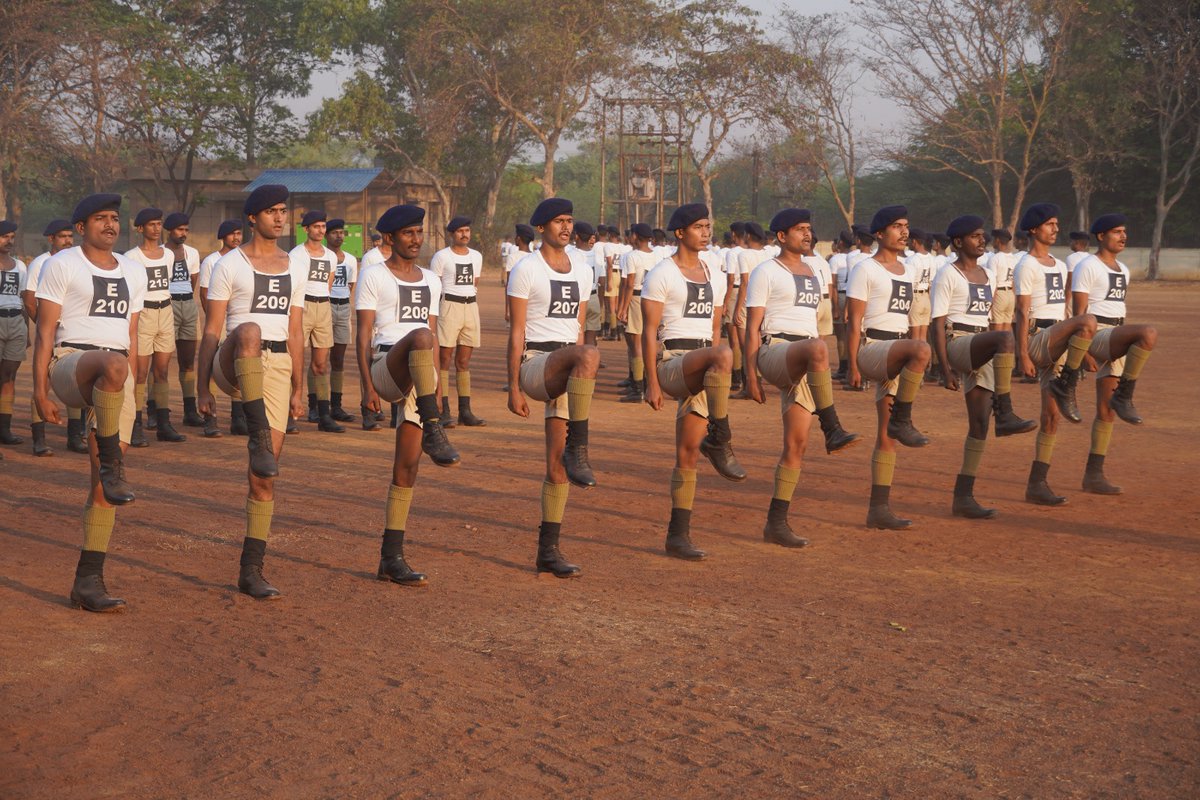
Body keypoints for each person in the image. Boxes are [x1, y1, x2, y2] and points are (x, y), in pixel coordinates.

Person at [33, 193, 144, 611]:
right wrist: (40, 393)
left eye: (115, 219)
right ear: (81, 228)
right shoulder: (61, 264)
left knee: (103, 486)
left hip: (117, 377)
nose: (111, 225)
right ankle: (115, 463)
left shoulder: (134, 272)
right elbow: (45, 333)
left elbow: (130, 337)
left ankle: (88, 581)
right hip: (72, 363)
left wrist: (137, 391)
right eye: (101, 219)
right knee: (113, 363)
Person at [198, 184, 306, 599]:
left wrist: (299, 388)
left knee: (264, 476)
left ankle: (251, 570)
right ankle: (257, 433)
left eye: (283, 210)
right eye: (271, 211)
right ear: (252, 218)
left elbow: (296, 331)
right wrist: (201, 386)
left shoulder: (295, 265)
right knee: (249, 329)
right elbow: (211, 329)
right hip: (234, 360)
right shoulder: (230, 264)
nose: (280, 217)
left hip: (277, 367)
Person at [356, 204, 462, 586]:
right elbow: (364, 334)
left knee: (408, 466)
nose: (416, 239)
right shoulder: (373, 274)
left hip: (421, 376)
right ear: (390, 238)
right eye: (408, 233)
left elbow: (432, 344)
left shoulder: (432, 280)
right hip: (386, 366)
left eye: (419, 232)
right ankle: (436, 427)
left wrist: (436, 386)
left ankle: (391, 559)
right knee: (419, 335)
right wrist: (367, 385)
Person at [745, 208, 859, 546]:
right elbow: (752, 328)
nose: (807, 235)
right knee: (818, 349)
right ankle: (833, 426)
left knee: (797, 445)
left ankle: (776, 524)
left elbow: (817, 327)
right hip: (775, 350)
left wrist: (818, 356)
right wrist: (749, 376)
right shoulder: (766, 271)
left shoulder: (814, 271)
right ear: (781, 237)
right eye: (799, 230)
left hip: (809, 358)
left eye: (809, 229)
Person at [639, 203, 745, 560]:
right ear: (680, 232)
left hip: (707, 366)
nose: (706, 232)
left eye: (708, 226)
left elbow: (715, 329)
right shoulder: (661, 273)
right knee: (724, 353)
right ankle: (722, 438)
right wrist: (650, 381)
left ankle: (677, 536)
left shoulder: (715, 273)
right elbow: (649, 331)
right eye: (698, 227)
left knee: (687, 455)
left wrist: (718, 368)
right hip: (672, 363)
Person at [506, 197, 599, 578]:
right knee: (589, 354)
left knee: (556, 467)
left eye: (569, 221)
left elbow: (577, 327)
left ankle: (548, 551)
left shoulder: (582, 269)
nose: (566, 227)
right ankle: (582, 447)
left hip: (569, 366)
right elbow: (516, 333)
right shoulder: (525, 268)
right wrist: (512, 387)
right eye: (558, 221)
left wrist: (577, 359)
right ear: (542, 227)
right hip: (535, 366)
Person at [930, 215, 1037, 519]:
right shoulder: (947, 275)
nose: (982, 240)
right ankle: (1005, 411)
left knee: (979, 426)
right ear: (958, 242)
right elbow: (937, 323)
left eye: (982, 235)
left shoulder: (989, 274)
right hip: (958, 341)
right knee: (1005, 335)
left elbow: (987, 320)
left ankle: (963, 497)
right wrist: (945, 368)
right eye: (975, 236)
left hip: (983, 345)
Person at [845, 206, 932, 530]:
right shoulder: (865, 269)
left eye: (906, 226)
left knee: (887, 434)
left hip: (898, 350)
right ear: (880, 233)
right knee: (922, 349)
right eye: (897, 226)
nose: (904, 231)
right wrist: (853, 364)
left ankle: (878, 509)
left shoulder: (908, 270)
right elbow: (854, 321)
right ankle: (904, 418)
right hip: (872, 350)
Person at [1012, 202, 1097, 506]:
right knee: (1088, 320)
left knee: (1052, 416)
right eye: (1049, 224)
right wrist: (1022, 354)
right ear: (1033, 229)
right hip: (1036, 339)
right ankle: (1068, 384)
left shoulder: (1060, 265)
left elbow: (1062, 310)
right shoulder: (1026, 265)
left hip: (1058, 337)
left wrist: (1081, 350)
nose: (1055, 228)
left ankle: (1037, 484)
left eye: (1056, 224)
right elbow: (1021, 311)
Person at [1070, 213, 1157, 495]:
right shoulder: (1088, 266)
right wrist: (1083, 352)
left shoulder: (1123, 269)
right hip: (1096, 336)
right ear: (1100, 236)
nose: (1123, 236)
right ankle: (1126, 394)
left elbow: (1119, 309)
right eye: (1117, 232)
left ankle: (1093, 475)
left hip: (1116, 338)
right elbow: (1078, 313)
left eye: (1124, 231)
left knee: (1106, 412)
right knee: (1147, 333)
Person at [124, 208, 185, 445]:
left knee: (161, 371)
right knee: (139, 372)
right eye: (151, 224)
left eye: (159, 224)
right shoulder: (131, 257)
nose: (156, 229)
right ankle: (134, 423)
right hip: (143, 312)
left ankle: (163, 423)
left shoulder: (169, 255)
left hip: (165, 311)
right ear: (140, 229)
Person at [23, 218, 80, 455]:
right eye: (62, 236)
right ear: (51, 239)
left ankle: (75, 436)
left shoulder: (75, 261)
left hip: (71, 332)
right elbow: (29, 299)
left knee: (76, 380)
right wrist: (47, 327)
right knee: (43, 382)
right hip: (50, 331)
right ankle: (39, 438)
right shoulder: (41, 263)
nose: (67, 240)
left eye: (70, 236)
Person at [431, 215, 485, 428]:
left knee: (463, 361)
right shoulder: (441, 257)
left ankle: (465, 411)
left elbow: (475, 283)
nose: (465, 234)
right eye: (460, 231)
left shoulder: (477, 256)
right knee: (444, 358)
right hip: (449, 307)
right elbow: (435, 287)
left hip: (470, 306)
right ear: (452, 234)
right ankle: (443, 409)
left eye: (467, 231)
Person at [290, 210, 341, 433]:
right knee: (294, 362)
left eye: (323, 226)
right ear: (306, 230)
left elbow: (328, 285)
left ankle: (323, 414)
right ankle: (289, 412)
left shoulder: (331, 256)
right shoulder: (297, 254)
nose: (321, 230)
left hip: (323, 307)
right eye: (316, 227)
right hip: (302, 307)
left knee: (321, 364)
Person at [198, 220, 243, 437]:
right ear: (222, 236)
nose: (236, 238)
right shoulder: (212, 261)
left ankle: (238, 417)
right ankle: (210, 418)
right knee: (212, 369)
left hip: (236, 319)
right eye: (232, 234)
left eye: (239, 233)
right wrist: (215, 321)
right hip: (218, 319)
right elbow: (205, 294)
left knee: (237, 364)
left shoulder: (242, 259)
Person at [162, 213, 204, 431]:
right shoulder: (160, 253)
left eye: (186, 230)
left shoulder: (193, 253)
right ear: (169, 230)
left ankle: (190, 410)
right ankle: (156, 410)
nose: (184, 234)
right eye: (180, 230)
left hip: (188, 304)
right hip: (166, 305)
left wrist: (185, 298)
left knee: (188, 361)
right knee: (161, 362)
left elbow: (193, 280)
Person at [616, 222, 658, 403]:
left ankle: (638, 388)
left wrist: (622, 308)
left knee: (636, 344)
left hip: (636, 298)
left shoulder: (633, 256)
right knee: (647, 341)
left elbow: (629, 284)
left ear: (636, 237)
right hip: (653, 299)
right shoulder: (656, 256)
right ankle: (644, 382)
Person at [324, 218, 358, 424]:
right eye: (334, 232)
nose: (339, 236)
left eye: (341, 232)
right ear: (327, 236)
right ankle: (316, 405)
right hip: (325, 306)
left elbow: (350, 285)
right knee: (320, 359)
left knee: (338, 359)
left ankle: (336, 405)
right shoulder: (324, 257)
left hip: (343, 307)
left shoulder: (351, 260)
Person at [0, 220, 27, 451]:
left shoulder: (20, 266)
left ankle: (5, 429)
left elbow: (24, 299)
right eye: (4, 236)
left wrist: (26, 330)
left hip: (16, 320)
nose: (8, 241)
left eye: (11, 236)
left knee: (9, 376)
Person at [571, 222, 604, 347]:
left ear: (577, 236)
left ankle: (578, 364)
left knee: (577, 336)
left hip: (577, 299)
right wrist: (600, 303)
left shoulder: (571, 255)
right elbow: (602, 281)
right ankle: (591, 364)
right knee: (591, 338)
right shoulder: (597, 256)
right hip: (594, 296)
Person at [987, 229, 1016, 332]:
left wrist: (990, 302)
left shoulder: (995, 258)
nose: (992, 241)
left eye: (994, 239)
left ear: (998, 240)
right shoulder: (1014, 258)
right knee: (1006, 331)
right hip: (1010, 294)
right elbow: (1014, 282)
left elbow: (992, 281)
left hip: (999, 293)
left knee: (996, 332)